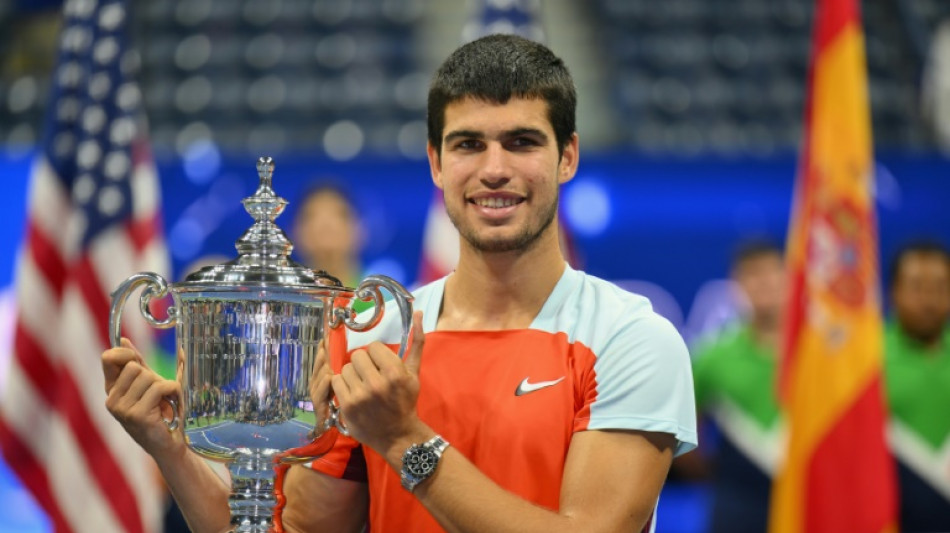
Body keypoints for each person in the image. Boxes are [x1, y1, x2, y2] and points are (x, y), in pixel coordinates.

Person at [101, 34, 697, 532]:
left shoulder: (629, 338)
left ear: (567, 157)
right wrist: (171, 449)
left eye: (522, 142)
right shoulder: (371, 336)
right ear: (436, 162)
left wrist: (404, 440)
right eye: (468, 145)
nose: (494, 169)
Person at [680, 240, 786, 533]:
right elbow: (681, 428)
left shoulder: (820, 355)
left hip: (807, 499)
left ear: (789, 277)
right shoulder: (713, 356)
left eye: (771, 272)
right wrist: (710, 473)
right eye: (752, 274)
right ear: (736, 285)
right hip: (736, 504)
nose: (763, 282)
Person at [884, 242, 950, 532]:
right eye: (916, 287)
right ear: (893, 293)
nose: (929, 300)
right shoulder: (864, 362)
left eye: (940, 287)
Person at [292, 182, 363, 288]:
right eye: (312, 216)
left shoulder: (382, 293)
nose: (326, 224)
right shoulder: (281, 293)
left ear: (359, 228)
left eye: (339, 214)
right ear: (296, 230)